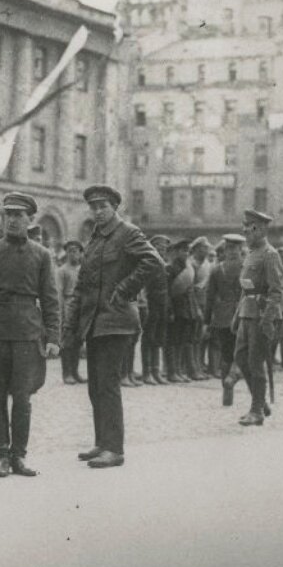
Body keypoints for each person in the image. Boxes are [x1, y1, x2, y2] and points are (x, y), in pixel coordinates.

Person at [62, 185, 159, 468]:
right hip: (94, 322)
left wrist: (126, 289)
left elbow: (152, 261)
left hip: (116, 321)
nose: (98, 211)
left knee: (107, 384)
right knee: (95, 385)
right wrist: (71, 325)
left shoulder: (127, 232)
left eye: (103, 206)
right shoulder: (94, 240)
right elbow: (82, 285)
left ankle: (114, 448)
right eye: (93, 207)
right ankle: (102, 442)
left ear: (115, 207)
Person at [0, 193, 60, 478]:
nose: (12, 220)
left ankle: (19, 456)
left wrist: (53, 337)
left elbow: (50, 299)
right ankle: (1, 455)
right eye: (8, 214)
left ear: (30, 219)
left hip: (27, 331)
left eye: (18, 215)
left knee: (23, 398)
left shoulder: (41, 255)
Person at [233, 210, 283, 426]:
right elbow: (245, 289)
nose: (245, 230)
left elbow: (276, 291)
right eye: (244, 225)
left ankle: (257, 411)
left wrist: (268, 319)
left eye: (250, 226)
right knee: (241, 358)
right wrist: (238, 315)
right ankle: (260, 400)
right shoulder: (251, 253)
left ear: (261, 229)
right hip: (247, 313)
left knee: (255, 362)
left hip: (261, 315)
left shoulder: (269, 254)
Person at [206, 234, 245, 406]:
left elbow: (209, 298)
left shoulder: (216, 270)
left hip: (222, 317)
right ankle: (233, 376)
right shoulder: (246, 268)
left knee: (226, 353)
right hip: (242, 315)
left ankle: (226, 395)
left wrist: (207, 322)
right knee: (243, 350)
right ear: (239, 249)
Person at [141, 235, 171, 385]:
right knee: (148, 338)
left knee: (159, 338)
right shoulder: (148, 264)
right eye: (159, 248)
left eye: (164, 249)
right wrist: (145, 304)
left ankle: (155, 370)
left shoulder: (163, 265)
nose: (162, 251)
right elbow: (144, 287)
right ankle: (147, 372)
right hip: (151, 304)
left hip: (162, 304)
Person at [165, 238, 196, 383]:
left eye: (188, 251)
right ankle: (172, 371)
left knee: (181, 341)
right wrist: (170, 311)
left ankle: (178, 370)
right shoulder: (171, 269)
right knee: (173, 341)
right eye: (183, 251)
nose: (186, 254)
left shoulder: (188, 269)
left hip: (186, 310)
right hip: (176, 310)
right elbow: (168, 293)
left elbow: (190, 292)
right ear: (176, 252)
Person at [57, 240, 85, 384]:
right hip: (68, 305)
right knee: (67, 341)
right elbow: (59, 293)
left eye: (75, 251)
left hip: (81, 306)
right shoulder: (62, 270)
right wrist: (61, 314)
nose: (72, 254)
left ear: (81, 253)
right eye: (69, 251)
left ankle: (75, 371)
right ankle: (66, 373)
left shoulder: (83, 270)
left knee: (78, 341)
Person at [188, 236, 212, 381]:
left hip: (204, 303)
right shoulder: (191, 264)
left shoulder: (206, 265)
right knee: (192, 338)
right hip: (194, 303)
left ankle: (198, 366)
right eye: (204, 248)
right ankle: (192, 368)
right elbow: (190, 288)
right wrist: (196, 307)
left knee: (201, 338)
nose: (206, 250)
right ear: (196, 249)